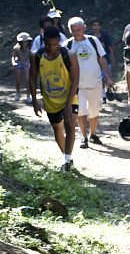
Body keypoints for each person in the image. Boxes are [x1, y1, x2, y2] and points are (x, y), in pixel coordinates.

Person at [29, 29, 79, 172]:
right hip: (50, 100)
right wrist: (34, 101)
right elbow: (32, 78)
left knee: (70, 125)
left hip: (69, 96)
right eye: (48, 45)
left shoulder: (69, 55)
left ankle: (67, 161)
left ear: (59, 41)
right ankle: (66, 156)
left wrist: (68, 104)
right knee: (57, 128)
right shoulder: (37, 56)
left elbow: (75, 80)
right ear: (43, 42)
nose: (52, 48)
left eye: (55, 44)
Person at [65, 17, 112, 149]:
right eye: (73, 30)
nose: (76, 33)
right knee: (81, 111)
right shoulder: (67, 45)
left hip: (95, 82)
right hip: (77, 85)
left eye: (79, 29)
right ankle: (83, 136)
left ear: (84, 28)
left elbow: (102, 59)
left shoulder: (93, 40)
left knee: (94, 110)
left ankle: (93, 134)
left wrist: (108, 76)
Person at [88, 19, 115, 99]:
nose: (96, 27)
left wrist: (113, 58)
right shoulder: (89, 37)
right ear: (91, 26)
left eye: (98, 25)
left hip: (105, 59)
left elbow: (110, 47)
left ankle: (108, 92)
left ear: (100, 26)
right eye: (94, 25)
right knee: (100, 78)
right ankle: (102, 95)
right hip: (94, 61)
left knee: (107, 77)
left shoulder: (105, 35)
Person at [12, 32, 32, 103]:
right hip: (18, 63)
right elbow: (13, 57)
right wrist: (14, 63)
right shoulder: (16, 48)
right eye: (24, 41)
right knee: (18, 80)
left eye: (26, 41)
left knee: (27, 80)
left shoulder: (29, 48)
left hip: (26, 63)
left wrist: (31, 63)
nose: (25, 43)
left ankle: (28, 95)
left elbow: (31, 56)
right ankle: (18, 93)